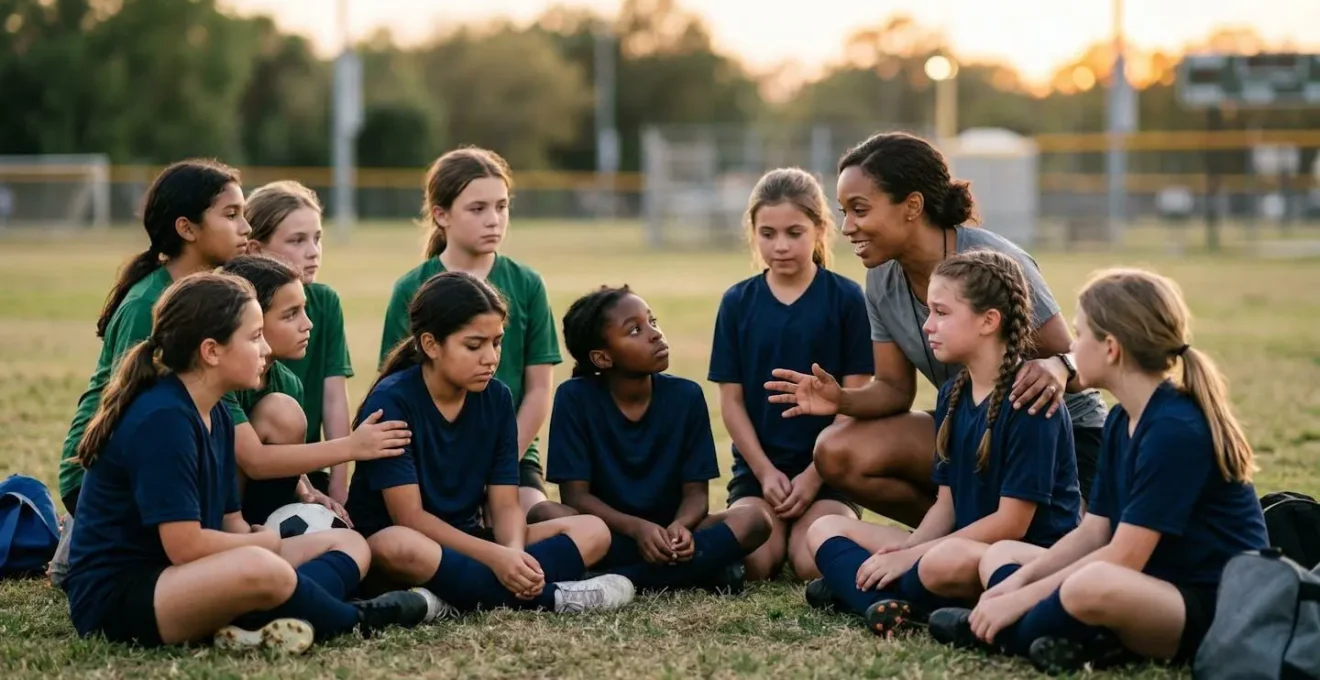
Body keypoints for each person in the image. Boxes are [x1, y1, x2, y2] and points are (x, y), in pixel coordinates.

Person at [60, 273, 439, 652]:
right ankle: (359, 617)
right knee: (261, 567)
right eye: (255, 336)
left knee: (349, 543)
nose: (265, 348)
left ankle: (258, 620)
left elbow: (231, 524)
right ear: (211, 351)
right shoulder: (164, 418)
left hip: (189, 573)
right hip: (123, 598)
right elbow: (185, 546)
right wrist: (265, 543)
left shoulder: (217, 414)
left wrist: (253, 540)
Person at [930, 268, 1268, 675]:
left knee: (1092, 583)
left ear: (1111, 347)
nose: (1071, 347)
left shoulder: (1174, 429)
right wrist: (1013, 584)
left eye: (1079, 333)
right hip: (1150, 584)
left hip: (1211, 608)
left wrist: (1021, 600)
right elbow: (1094, 532)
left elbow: (1123, 556)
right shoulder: (1122, 418)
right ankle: (1073, 637)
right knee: (1004, 555)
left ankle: (1001, 632)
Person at [766, 132, 1107, 530]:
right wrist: (840, 399)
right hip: (971, 422)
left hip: (1057, 434)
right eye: (843, 212)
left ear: (912, 206)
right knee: (837, 450)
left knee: (1071, 546)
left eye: (859, 209)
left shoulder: (993, 264)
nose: (847, 227)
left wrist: (1059, 367)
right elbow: (894, 390)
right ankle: (946, 543)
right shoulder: (881, 278)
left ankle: (976, 545)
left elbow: (1081, 363)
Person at [803, 250, 1081, 637]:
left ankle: (858, 592)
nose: (928, 325)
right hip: (956, 546)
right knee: (824, 527)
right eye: (929, 312)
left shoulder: (1029, 400)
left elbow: (1012, 524)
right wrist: (906, 551)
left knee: (939, 562)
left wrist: (913, 557)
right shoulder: (953, 392)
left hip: (1019, 556)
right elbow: (946, 503)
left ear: (989, 321)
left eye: (942, 313)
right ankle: (885, 603)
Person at [350, 271, 635, 614]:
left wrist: (513, 553)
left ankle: (447, 599)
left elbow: (504, 505)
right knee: (395, 545)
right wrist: (496, 557)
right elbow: (410, 518)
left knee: (593, 530)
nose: (490, 357)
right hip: (413, 543)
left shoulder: (497, 397)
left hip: (470, 542)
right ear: (430, 345)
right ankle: (553, 598)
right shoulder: (392, 401)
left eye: (496, 342)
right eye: (474, 345)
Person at [380, 147, 570, 522]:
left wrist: (497, 464)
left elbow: (538, 391)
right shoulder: (412, 289)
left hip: (511, 452)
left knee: (543, 520)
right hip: (433, 456)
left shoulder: (527, 284)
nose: (494, 220)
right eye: (478, 208)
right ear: (441, 215)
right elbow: (393, 387)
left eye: (502, 207)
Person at [58, 159, 250, 516]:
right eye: (231, 215)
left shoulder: (215, 296)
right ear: (187, 229)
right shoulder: (147, 304)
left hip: (168, 454)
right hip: (99, 477)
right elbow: (127, 412)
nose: (246, 227)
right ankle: (82, 540)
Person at [550, 285, 772, 593]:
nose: (655, 334)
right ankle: (698, 573)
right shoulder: (574, 398)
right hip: (610, 531)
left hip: (672, 533)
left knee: (755, 518)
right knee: (544, 515)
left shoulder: (686, 396)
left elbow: (696, 495)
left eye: (652, 321)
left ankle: (621, 579)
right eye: (635, 330)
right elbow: (575, 498)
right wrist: (637, 529)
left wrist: (680, 527)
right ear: (602, 358)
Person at [708, 167, 873, 581]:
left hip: (829, 473)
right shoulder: (737, 302)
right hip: (758, 474)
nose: (780, 246)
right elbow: (731, 401)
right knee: (756, 562)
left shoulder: (847, 299)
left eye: (794, 233)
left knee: (809, 563)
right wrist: (765, 472)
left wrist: (814, 475)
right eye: (768, 234)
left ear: (820, 229)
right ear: (753, 232)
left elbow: (856, 399)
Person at [219, 254, 405, 527]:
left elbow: (284, 454)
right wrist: (352, 446)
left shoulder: (287, 382)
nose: (308, 324)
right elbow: (255, 460)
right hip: (207, 511)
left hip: (251, 508)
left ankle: (264, 529)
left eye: (304, 310)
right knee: (281, 412)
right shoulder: (221, 378)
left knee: (354, 547)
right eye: (291, 314)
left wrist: (307, 489)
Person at [244, 180, 355, 503]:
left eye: (317, 238)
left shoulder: (324, 302)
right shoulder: (230, 308)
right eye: (297, 240)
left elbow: (334, 397)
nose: (313, 251)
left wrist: (338, 484)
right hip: (244, 458)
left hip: (301, 464)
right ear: (255, 249)